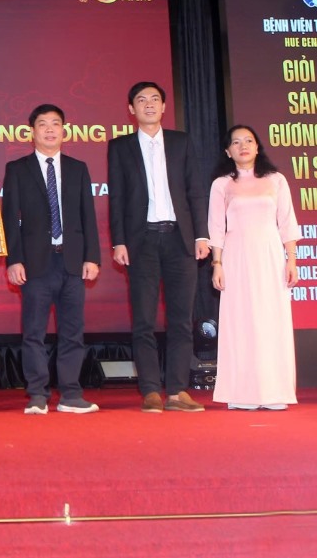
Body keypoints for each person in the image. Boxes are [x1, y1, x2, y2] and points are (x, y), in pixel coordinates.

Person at [108, 81, 209, 413]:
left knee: (181, 320)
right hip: (142, 241)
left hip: (180, 239)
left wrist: (201, 235)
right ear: (131, 109)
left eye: (154, 99)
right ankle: (151, 389)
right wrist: (119, 240)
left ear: (164, 107)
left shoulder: (181, 142)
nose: (148, 104)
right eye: (141, 100)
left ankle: (177, 391)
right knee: (144, 320)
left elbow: (195, 191)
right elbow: (118, 198)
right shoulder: (120, 147)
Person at [3, 104, 101, 415]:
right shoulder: (17, 169)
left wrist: (92, 257)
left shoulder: (78, 168)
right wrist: (14, 260)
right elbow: (10, 219)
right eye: (42, 124)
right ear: (31, 132)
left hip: (72, 260)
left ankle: (71, 394)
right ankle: (37, 395)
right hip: (35, 263)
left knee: (73, 331)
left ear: (64, 130)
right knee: (34, 332)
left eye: (55, 124)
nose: (49, 129)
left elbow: (88, 216)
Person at [208, 125, 300, 410]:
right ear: (228, 151)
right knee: (240, 322)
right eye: (236, 142)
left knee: (271, 320)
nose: (243, 146)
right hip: (236, 259)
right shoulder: (221, 184)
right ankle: (242, 393)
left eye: (248, 140)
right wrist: (217, 263)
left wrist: (292, 259)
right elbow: (216, 228)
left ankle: (274, 392)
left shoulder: (276, 180)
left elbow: (287, 222)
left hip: (270, 257)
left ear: (258, 147)